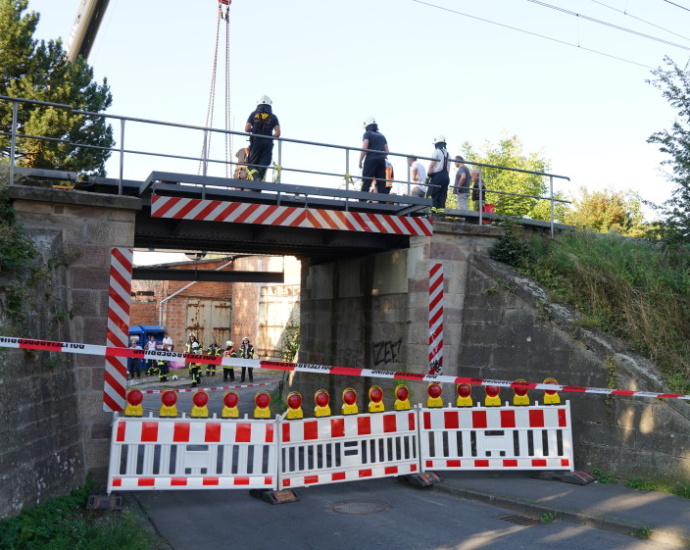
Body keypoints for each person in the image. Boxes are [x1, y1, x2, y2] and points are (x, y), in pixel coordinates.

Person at [244, 95, 281, 183]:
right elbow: (278, 133)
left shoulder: (253, 114)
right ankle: (258, 183)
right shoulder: (273, 117)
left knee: (251, 164)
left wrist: (255, 130)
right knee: (263, 164)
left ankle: (256, 178)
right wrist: (270, 137)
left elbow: (247, 129)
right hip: (268, 143)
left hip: (256, 141)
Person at [358, 117, 389, 199]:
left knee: (367, 180)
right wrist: (382, 157)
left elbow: (365, 148)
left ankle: (363, 200)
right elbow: (387, 151)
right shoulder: (382, 135)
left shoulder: (368, 134)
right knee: (381, 182)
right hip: (381, 160)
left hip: (370, 160)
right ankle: (382, 201)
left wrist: (360, 161)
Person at [426, 135, 451, 217]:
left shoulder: (436, 152)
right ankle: (440, 213)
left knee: (434, 193)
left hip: (438, 175)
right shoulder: (448, 154)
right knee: (443, 195)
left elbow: (432, 166)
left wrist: (428, 177)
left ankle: (433, 213)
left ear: (436, 144)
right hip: (446, 176)